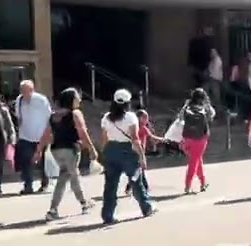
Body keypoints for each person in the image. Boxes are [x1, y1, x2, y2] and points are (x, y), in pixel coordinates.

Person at [35, 87, 96, 220]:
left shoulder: (54, 115)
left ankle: (56, 208)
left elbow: (46, 134)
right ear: (71, 99)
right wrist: (91, 148)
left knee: (65, 176)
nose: (79, 100)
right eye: (77, 97)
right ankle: (82, 204)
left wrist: (39, 150)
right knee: (72, 176)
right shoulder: (75, 113)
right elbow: (82, 132)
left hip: (56, 149)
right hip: (71, 148)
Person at [99, 89, 154, 225]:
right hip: (128, 151)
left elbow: (104, 138)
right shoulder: (131, 117)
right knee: (136, 181)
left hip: (111, 150)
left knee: (110, 185)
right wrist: (142, 156)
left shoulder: (106, 117)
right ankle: (146, 207)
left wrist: (104, 154)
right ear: (127, 103)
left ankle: (107, 215)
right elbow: (135, 139)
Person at [13, 80, 53, 194]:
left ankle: (44, 183)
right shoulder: (19, 100)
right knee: (26, 160)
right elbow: (19, 117)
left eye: (27, 91)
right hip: (25, 136)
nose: (25, 93)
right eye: (22, 91)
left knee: (42, 162)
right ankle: (28, 185)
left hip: (40, 136)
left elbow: (49, 117)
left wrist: (48, 133)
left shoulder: (41, 100)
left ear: (32, 90)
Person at [179, 88, 216, 194]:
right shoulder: (205, 108)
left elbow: (180, 117)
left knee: (196, 159)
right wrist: (208, 104)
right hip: (200, 138)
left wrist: (185, 105)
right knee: (194, 162)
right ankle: (188, 186)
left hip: (187, 138)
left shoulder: (188, 106)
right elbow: (212, 115)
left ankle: (203, 182)